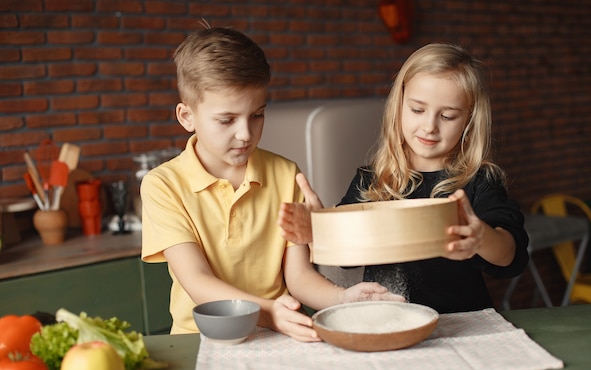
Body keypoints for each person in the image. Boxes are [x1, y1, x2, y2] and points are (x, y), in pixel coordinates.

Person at [140, 25, 403, 342]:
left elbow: (299, 277)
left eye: (257, 115)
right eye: (227, 120)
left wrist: (343, 300)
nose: (245, 134)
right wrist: (269, 311)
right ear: (186, 116)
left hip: (281, 334)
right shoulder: (162, 185)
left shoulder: (284, 173)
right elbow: (197, 280)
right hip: (200, 339)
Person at [279, 43, 529, 314]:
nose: (429, 126)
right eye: (417, 110)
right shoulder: (371, 181)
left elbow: (509, 256)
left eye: (447, 116)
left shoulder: (479, 181)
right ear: (398, 105)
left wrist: (481, 237)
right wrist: (318, 229)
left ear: (469, 121)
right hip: (388, 320)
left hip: (460, 325)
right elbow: (345, 258)